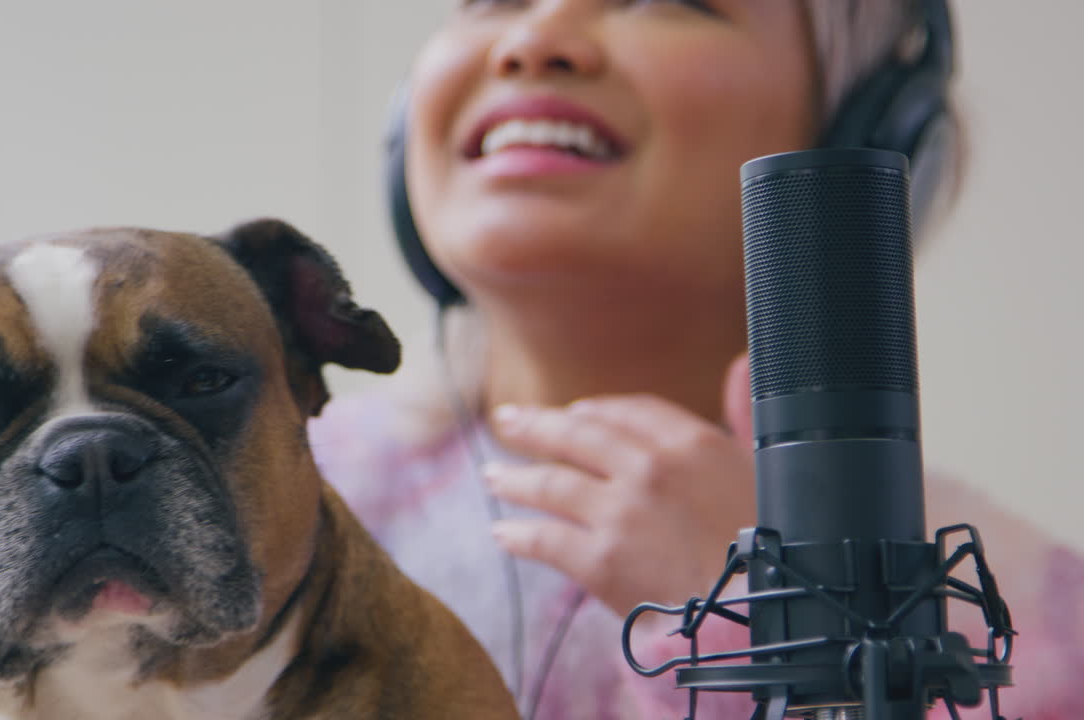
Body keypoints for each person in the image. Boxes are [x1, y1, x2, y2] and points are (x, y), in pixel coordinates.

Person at [309, 1, 1084, 717]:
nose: (535, 40)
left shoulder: (1036, 633)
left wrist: (790, 633)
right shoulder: (280, 487)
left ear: (863, 129)